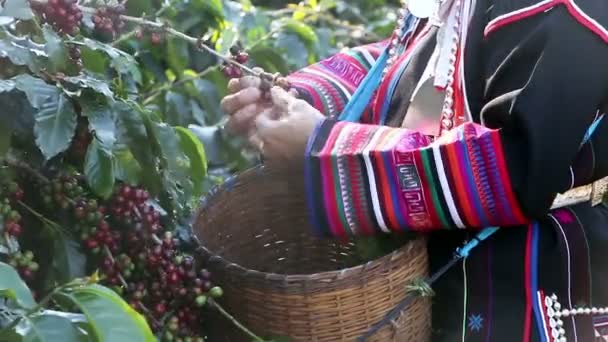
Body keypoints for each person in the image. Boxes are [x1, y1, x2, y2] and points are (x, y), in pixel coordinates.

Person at [220, 0, 608, 340]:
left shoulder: (571, 9)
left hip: (524, 289)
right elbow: (418, 61)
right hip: (433, 281)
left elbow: (518, 167)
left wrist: (324, 143)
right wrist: (301, 97)